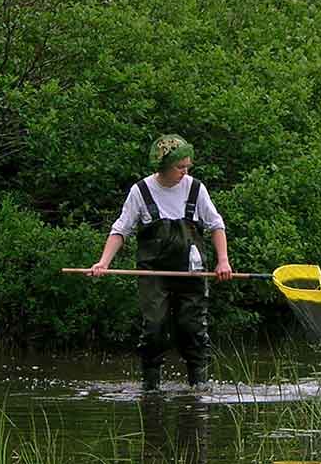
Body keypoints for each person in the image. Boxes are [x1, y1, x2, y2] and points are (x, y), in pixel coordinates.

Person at [89, 134, 233, 390]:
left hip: (192, 274)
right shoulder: (140, 191)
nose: (185, 172)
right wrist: (103, 262)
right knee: (154, 327)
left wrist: (223, 262)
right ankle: (151, 387)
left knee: (192, 328)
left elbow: (216, 225)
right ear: (164, 166)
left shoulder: (196, 189)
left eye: (188, 166)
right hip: (153, 274)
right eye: (180, 167)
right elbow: (120, 229)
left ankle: (199, 387)